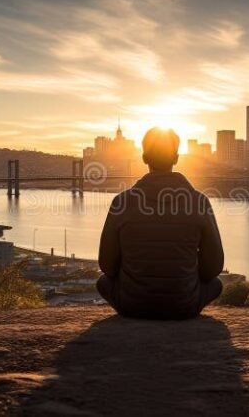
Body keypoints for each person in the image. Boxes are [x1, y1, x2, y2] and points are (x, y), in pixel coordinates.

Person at [96, 127, 224, 319]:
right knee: (216, 284)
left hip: (132, 306)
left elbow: (107, 266)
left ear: (145, 158)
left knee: (103, 282)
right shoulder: (199, 202)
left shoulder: (121, 202)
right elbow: (213, 269)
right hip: (183, 307)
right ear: (176, 158)